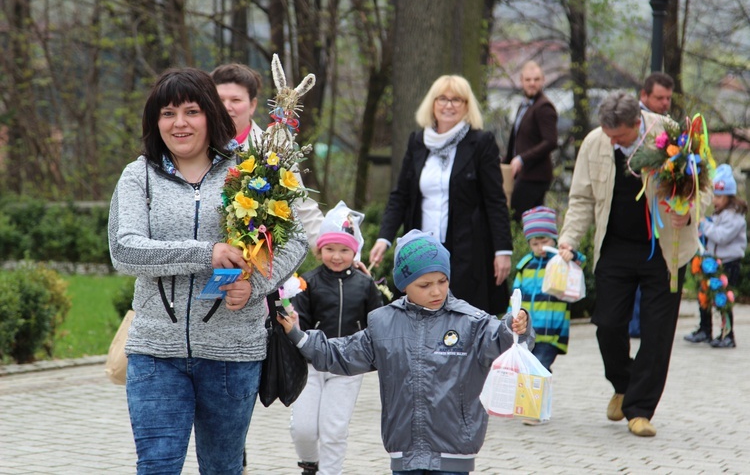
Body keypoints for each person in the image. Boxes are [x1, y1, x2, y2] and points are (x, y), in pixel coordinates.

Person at [108, 68, 308, 473]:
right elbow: (124, 250)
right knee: (157, 466)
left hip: (233, 352)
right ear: (154, 121)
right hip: (155, 353)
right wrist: (208, 252)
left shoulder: (252, 173)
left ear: (211, 116)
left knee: (222, 467)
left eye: (191, 111)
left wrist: (256, 286)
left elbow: (296, 241)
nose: (179, 123)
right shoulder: (139, 176)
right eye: (167, 113)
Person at [278, 229, 532, 474]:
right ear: (404, 284)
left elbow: (503, 341)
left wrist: (516, 327)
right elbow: (343, 353)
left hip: (455, 448)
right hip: (404, 450)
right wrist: (299, 337)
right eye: (424, 285)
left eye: (442, 281)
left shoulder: (471, 322)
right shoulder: (383, 322)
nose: (436, 291)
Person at [557, 91, 706, 438]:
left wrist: (689, 212)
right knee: (607, 324)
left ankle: (640, 410)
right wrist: (569, 238)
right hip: (615, 248)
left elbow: (702, 186)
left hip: (664, 249)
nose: (612, 142)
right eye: (608, 135)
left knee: (656, 333)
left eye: (619, 137)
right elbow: (581, 198)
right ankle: (623, 385)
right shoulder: (595, 142)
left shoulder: (670, 135)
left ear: (637, 124)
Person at [368, 75, 513, 315]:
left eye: (457, 99)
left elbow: (495, 201)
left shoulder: (481, 142)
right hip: (423, 251)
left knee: (466, 318)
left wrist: (503, 251)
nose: (449, 105)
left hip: (468, 250)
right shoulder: (417, 142)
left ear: (467, 106)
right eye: (443, 98)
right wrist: (384, 238)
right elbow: (400, 196)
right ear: (432, 103)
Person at [288, 201, 384, 475]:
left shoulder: (366, 285)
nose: (337, 256)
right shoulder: (307, 282)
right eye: (330, 249)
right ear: (319, 250)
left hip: (348, 367)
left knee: (334, 429)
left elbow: (376, 323)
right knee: (303, 428)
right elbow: (300, 324)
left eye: (344, 249)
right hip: (311, 365)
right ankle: (309, 462)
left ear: (355, 251)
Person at [211, 63, 324, 247]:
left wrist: (329, 245)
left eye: (236, 100)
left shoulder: (273, 148)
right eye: (219, 100)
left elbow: (301, 206)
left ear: (252, 105)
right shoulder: (197, 146)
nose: (226, 107)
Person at [510, 206, 585, 375]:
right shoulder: (524, 265)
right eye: (534, 243)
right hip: (527, 333)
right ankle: (534, 400)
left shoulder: (561, 261)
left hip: (551, 334)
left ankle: (537, 400)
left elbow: (581, 263)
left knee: (539, 368)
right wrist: (510, 322)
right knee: (526, 371)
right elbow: (515, 298)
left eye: (544, 241)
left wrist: (572, 255)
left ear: (554, 238)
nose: (540, 247)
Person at [630, 72, 676, 338]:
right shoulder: (634, 123)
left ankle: (644, 322)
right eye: (659, 97)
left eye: (668, 98)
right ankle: (635, 323)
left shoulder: (668, 125)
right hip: (638, 209)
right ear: (644, 96)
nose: (665, 103)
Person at [685, 164, 747, 348]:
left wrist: (705, 226)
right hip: (713, 262)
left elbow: (722, 236)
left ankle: (728, 334)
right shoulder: (720, 213)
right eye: (714, 196)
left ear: (730, 196)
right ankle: (705, 329)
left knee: (723, 300)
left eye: (719, 196)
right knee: (704, 295)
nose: (715, 201)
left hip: (728, 264)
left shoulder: (735, 216)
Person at [505, 61, 559, 221]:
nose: (532, 83)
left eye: (536, 79)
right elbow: (516, 138)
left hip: (535, 176)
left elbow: (551, 141)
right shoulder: (524, 105)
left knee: (518, 220)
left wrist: (522, 159)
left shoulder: (544, 107)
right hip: (522, 175)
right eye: (528, 80)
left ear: (543, 80)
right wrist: (506, 161)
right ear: (521, 81)